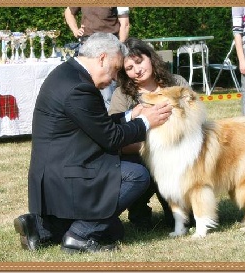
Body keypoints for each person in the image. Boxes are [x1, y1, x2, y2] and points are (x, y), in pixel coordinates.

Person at [13, 33, 172, 254]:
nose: (116, 77)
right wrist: (146, 122)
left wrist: (131, 115)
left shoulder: (69, 74)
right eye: (116, 69)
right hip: (66, 172)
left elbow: (96, 123)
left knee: (113, 231)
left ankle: (41, 228)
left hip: (58, 167)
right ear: (102, 59)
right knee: (136, 174)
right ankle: (80, 235)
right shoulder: (79, 87)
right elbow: (111, 138)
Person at [108, 37, 191, 229]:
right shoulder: (121, 95)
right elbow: (116, 139)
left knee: (184, 221)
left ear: (150, 58)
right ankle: (138, 210)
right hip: (140, 158)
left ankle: (181, 208)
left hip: (178, 158)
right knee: (141, 169)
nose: (136, 70)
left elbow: (194, 124)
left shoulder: (177, 83)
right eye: (129, 68)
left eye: (139, 62)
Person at [64, 7, 131, 110]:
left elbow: (125, 24)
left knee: (108, 95)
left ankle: (111, 121)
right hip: (87, 47)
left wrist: (118, 48)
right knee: (84, 87)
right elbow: (69, 12)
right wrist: (75, 30)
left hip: (108, 48)